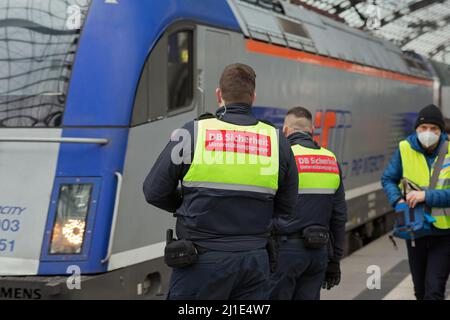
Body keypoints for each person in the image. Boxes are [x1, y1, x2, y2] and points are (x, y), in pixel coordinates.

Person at [143, 63, 298, 300]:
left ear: (219, 95)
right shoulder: (276, 141)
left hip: (201, 260)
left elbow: (154, 191)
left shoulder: (192, 133)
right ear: (253, 97)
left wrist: (189, 207)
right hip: (254, 262)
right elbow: (287, 206)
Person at [269, 106, 347, 300]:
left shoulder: (283, 157)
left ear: (286, 130)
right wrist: (335, 260)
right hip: (319, 252)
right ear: (312, 131)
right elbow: (339, 216)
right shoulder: (330, 160)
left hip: (286, 251)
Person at [381, 104, 450, 300]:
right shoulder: (405, 149)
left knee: (434, 290)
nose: (428, 132)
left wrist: (426, 196)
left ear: (441, 131)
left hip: (444, 233)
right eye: (423, 128)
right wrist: (398, 200)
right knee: (420, 291)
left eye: (434, 129)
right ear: (416, 129)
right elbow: (388, 179)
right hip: (415, 231)